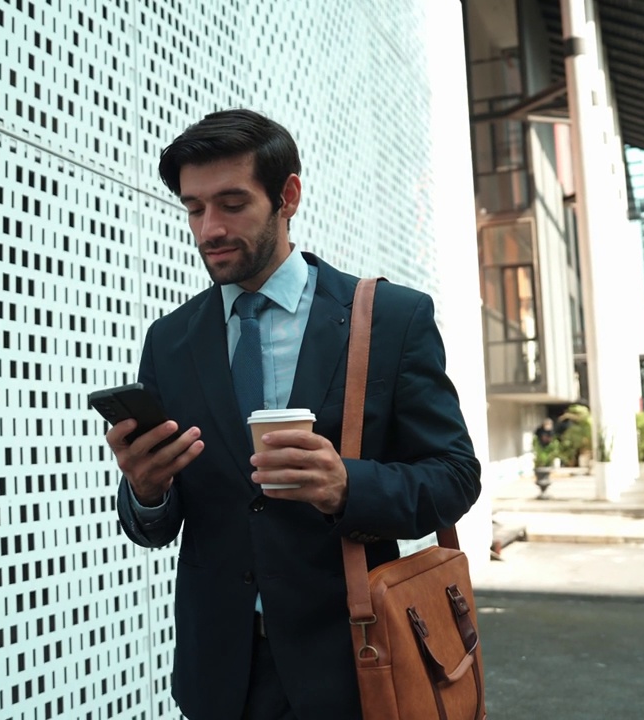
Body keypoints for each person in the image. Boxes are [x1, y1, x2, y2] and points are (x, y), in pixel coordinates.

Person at [105, 109, 482, 720]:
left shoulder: (388, 318)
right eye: (194, 209)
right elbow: (157, 525)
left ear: (289, 196)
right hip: (220, 677)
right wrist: (145, 492)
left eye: (232, 203)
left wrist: (346, 487)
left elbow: (455, 476)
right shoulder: (169, 340)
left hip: (359, 664)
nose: (209, 229)